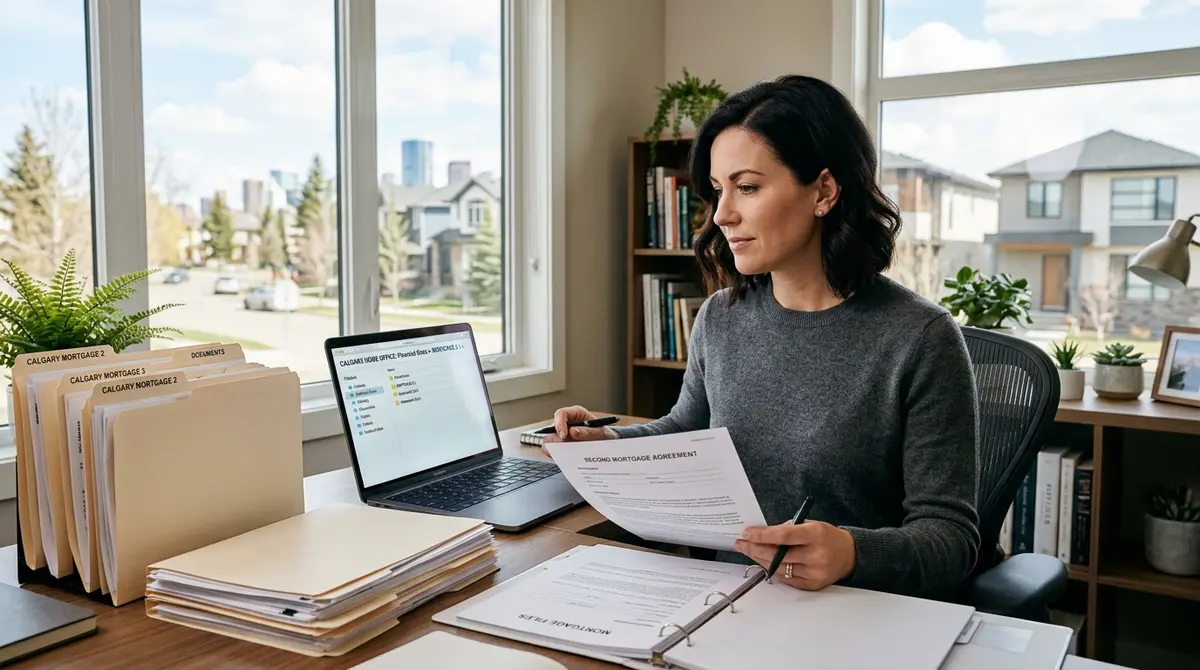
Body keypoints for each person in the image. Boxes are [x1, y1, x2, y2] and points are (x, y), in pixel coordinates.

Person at [544, 74, 980, 601]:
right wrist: (609, 442)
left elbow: (951, 539)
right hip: (716, 598)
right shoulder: (720, 319)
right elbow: (689, 428)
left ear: (823, 190)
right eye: (718, 189)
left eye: (747, 187)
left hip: (852, 609)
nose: (723, 214)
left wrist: (850, 551)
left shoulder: (922, 338)